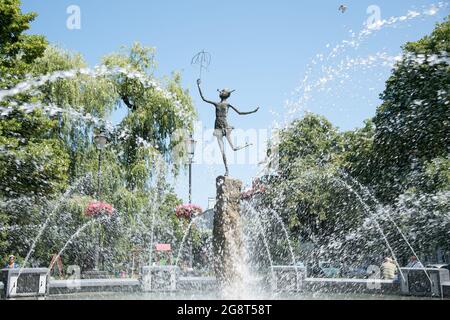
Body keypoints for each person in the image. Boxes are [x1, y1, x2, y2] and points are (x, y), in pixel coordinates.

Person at [197, 78, 259, 176]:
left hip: (225, 127)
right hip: (217, 128)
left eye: (223, 91)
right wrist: (199, 86)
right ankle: (227, 170)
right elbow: (203, 98)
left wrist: (252, 111)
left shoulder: (227, 104)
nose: (220, 91)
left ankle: (246, 144)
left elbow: (240, 113)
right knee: (222, 151)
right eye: (221, 90)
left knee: (233, 148)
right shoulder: (216, 103)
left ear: (226, 94)